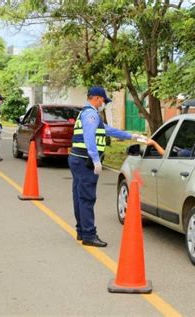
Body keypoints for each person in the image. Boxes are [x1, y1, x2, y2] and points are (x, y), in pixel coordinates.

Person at [69, 86, 143, 247]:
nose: (104, 104)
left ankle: (82, 231)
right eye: (103, 100)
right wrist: (95, 160)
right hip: (85, 160)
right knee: (87, 197)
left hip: (77, 159)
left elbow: (107, 130)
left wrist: (131, 135)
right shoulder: (91, 114)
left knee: (79, 195)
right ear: (96, 98)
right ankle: (89, 234)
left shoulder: (87, 113)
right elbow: (89, 137)